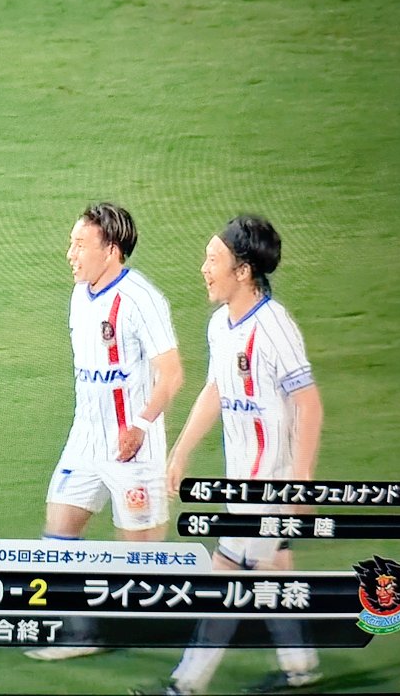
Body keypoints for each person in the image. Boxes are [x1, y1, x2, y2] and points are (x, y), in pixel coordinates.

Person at [131, 215, 322, 695]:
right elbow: (216, 390)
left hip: (270, 484)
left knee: (227, 572)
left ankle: (186, 684)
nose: (204, 268)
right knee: (273, 566)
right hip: (243, 481)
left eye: (213, 259)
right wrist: (180, 453)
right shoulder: (221, 325)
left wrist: (301, 480)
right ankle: (301, 667)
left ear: (243, 271)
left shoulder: (274, 326)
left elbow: (309, 404)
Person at [25, 202, 184, 661]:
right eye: (71, 243)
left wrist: (140, 425)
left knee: (141, 562)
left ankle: (190, 628)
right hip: (85, 440)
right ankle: (80, 633)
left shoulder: (141, 299)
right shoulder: (80, 294)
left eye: (80, 245)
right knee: (58, 533)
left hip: (133, 446)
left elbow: (172, 373)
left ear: (111, 250)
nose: (70, 254)